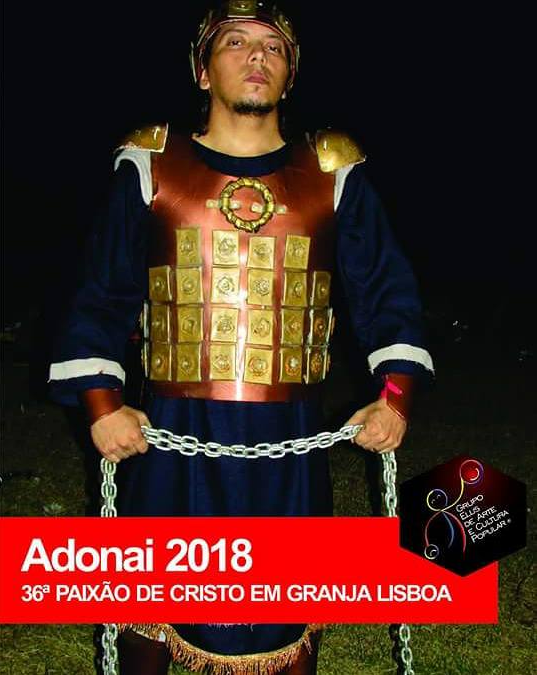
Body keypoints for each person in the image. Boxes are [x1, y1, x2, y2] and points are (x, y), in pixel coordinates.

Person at [49, 1, 434, 673]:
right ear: (202, 70)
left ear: (290, 74)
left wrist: (394, 396)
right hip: (172, 425)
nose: (257, 55)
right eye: (235, 42)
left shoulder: (332, 171)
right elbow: (102, 291)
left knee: (287, 604)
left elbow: (385, 289)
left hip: (291, 430)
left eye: (273, 47)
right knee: (150, 604)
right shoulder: (150, 163)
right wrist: (103, 405)